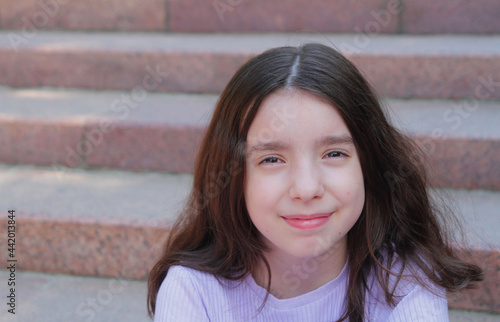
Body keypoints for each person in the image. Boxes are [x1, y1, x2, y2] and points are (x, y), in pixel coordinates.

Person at [147, 43, 483, 321]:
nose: (307, 189)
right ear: (232, 177)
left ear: (369, 163)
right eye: (272, 159)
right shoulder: (192, 292)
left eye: (334, 154)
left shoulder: (403, 281)